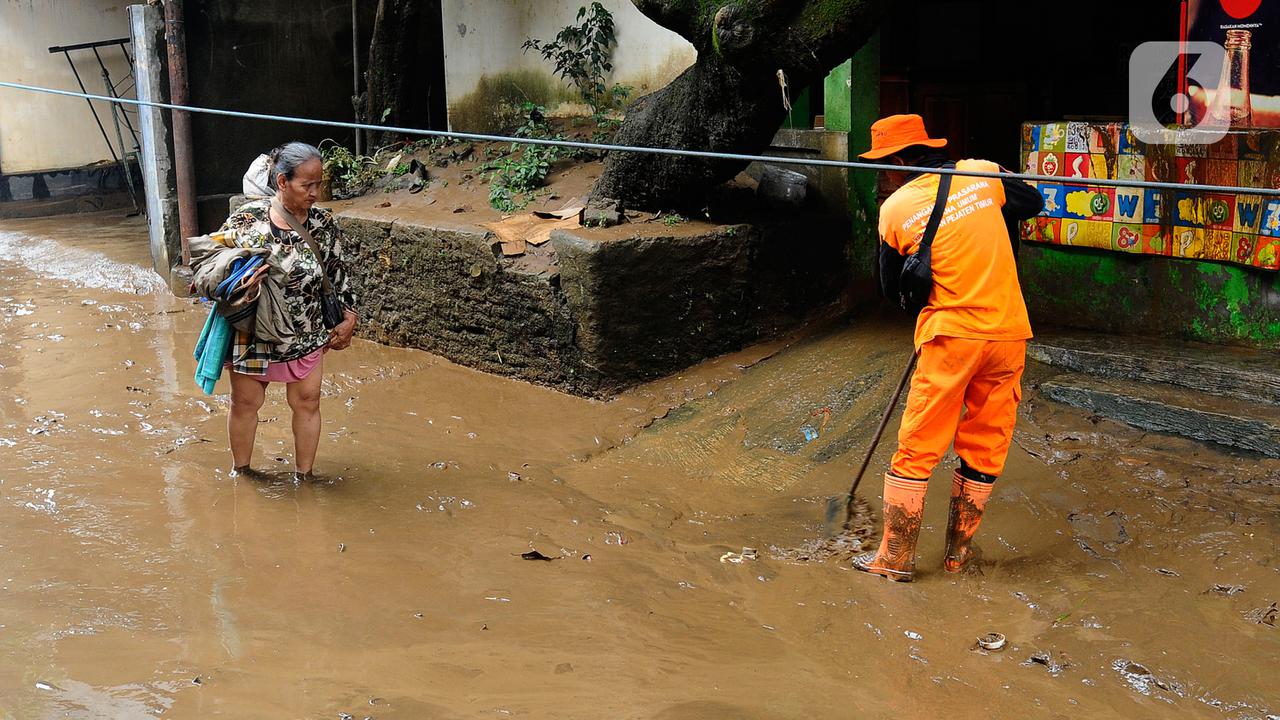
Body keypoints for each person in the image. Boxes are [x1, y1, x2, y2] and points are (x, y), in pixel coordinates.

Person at [851, 114, 1044, 582]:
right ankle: (959, 555)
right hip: (1007, 335)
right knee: (984, 446)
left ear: (898, 159)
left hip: (950, 339)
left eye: (884, 166)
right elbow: (1032, 201)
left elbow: (891, 288)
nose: (886, 175)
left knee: (917, 448)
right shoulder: (983, 172)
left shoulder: (895, 209)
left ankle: (894, 559)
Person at [221, 142, 358, 482]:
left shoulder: (324, 224)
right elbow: (210, 273)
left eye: (319, 184)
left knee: (308, 401)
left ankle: (305, 477)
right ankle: (243, 473)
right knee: (245, 403)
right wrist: (241, 282)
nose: (315, 193)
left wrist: (350, 316)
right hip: (254, 330)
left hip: (307, 330)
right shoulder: (246, 221)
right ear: (282, 182)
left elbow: (338, 273)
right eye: (306, 185)